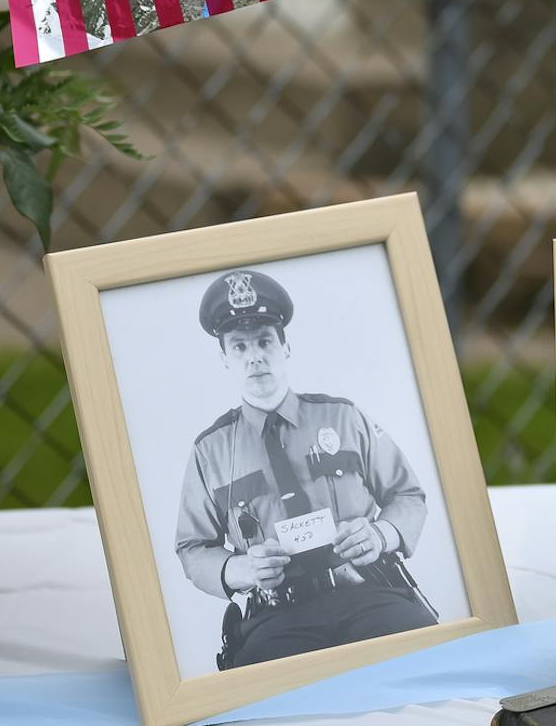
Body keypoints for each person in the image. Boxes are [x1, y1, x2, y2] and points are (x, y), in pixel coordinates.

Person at [174, 269, 438, 669]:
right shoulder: (209, 451)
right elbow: (192, 548)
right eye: (240, 347)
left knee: (426, 658)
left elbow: (407, 494)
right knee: (262, 696)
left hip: (368, 593)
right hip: (279, 615)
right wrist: (239, 569)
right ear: (225, 359)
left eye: (264, 341)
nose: (255, 357)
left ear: (285, 348)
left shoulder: (343, 418)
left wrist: (381, 535)